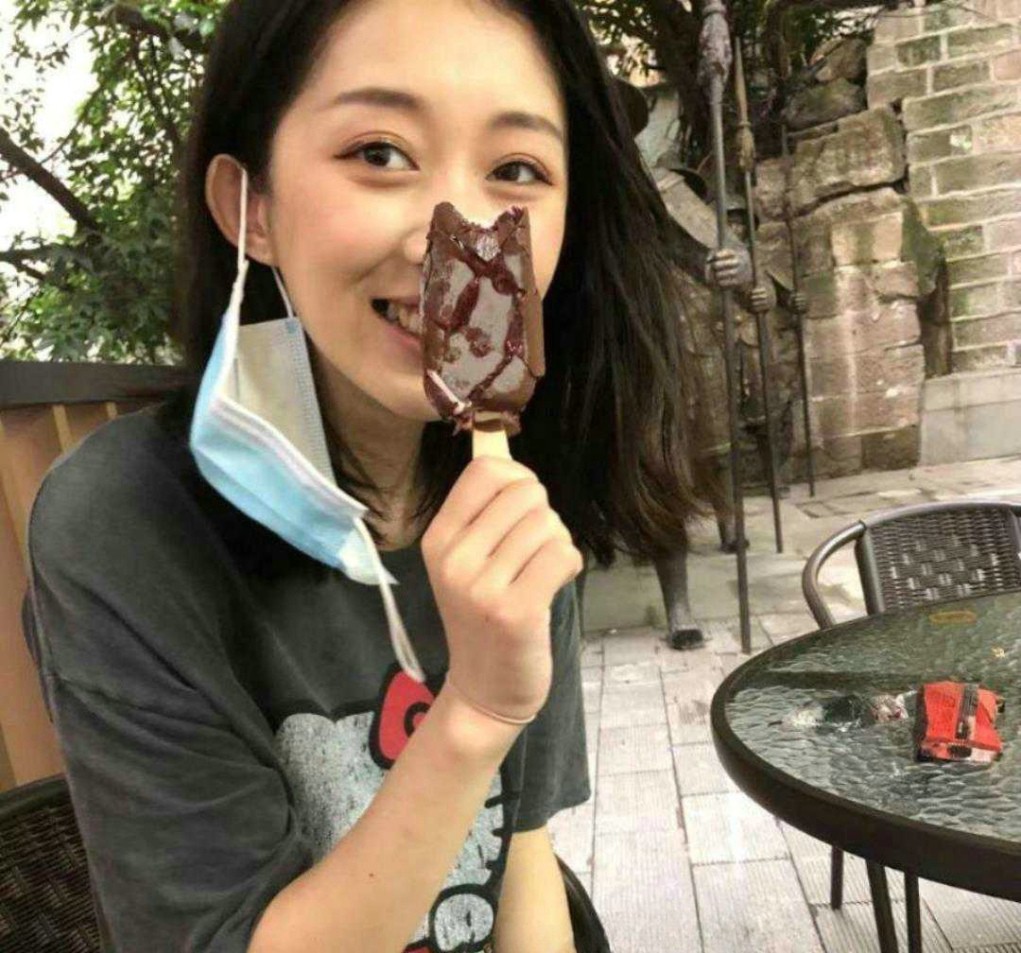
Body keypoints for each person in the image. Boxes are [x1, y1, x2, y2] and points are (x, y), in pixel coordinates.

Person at [20, 1, 712, 951]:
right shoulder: (122, 524)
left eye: (516, 169)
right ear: (251, 208)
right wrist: (475, 711)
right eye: (379, 152)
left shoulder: (513, 489)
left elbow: (523, 850)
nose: (456, 233)